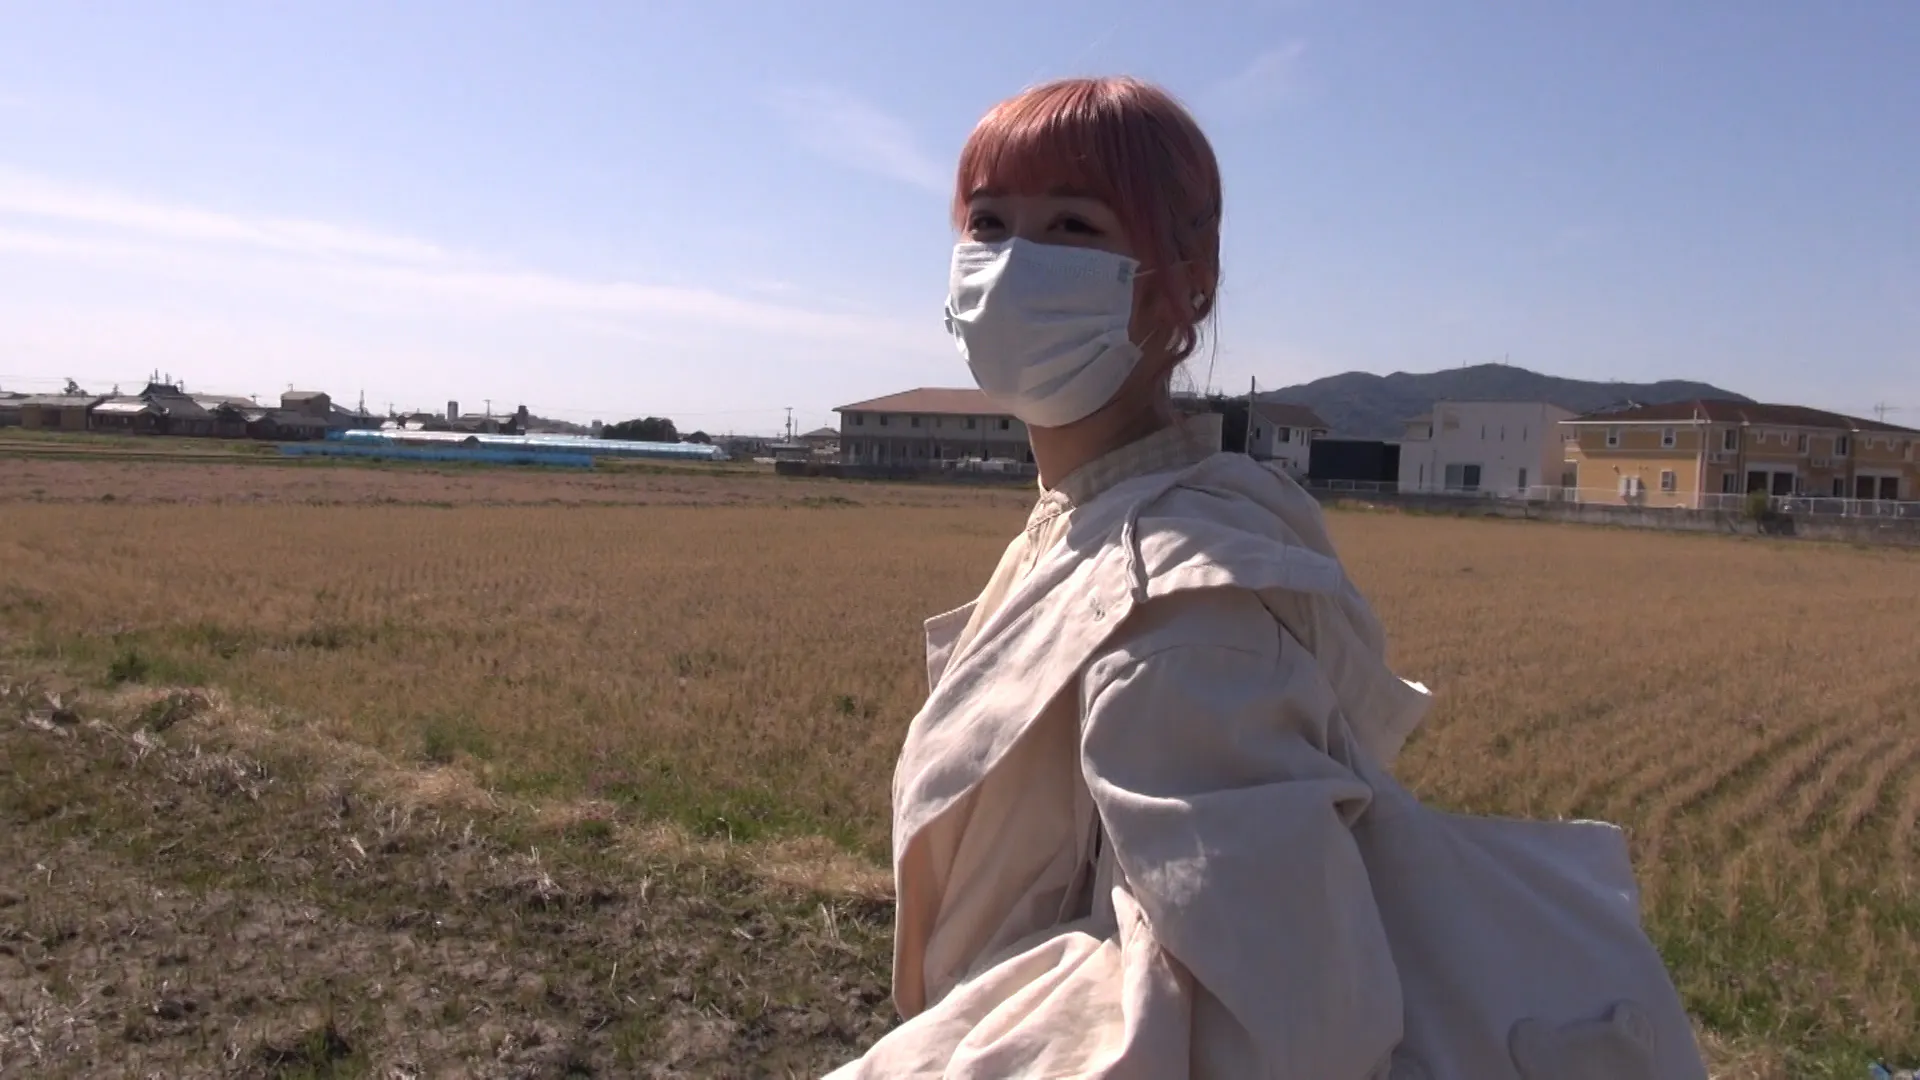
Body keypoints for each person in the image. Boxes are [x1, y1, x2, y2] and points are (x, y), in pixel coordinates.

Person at [829, 76, 1706, 1079]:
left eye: (1073, 226)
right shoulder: (1091, 518)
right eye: (989, 223)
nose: (1016, 263)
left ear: (1184, 285)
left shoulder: (1181, 617)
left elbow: (1271, 1031)